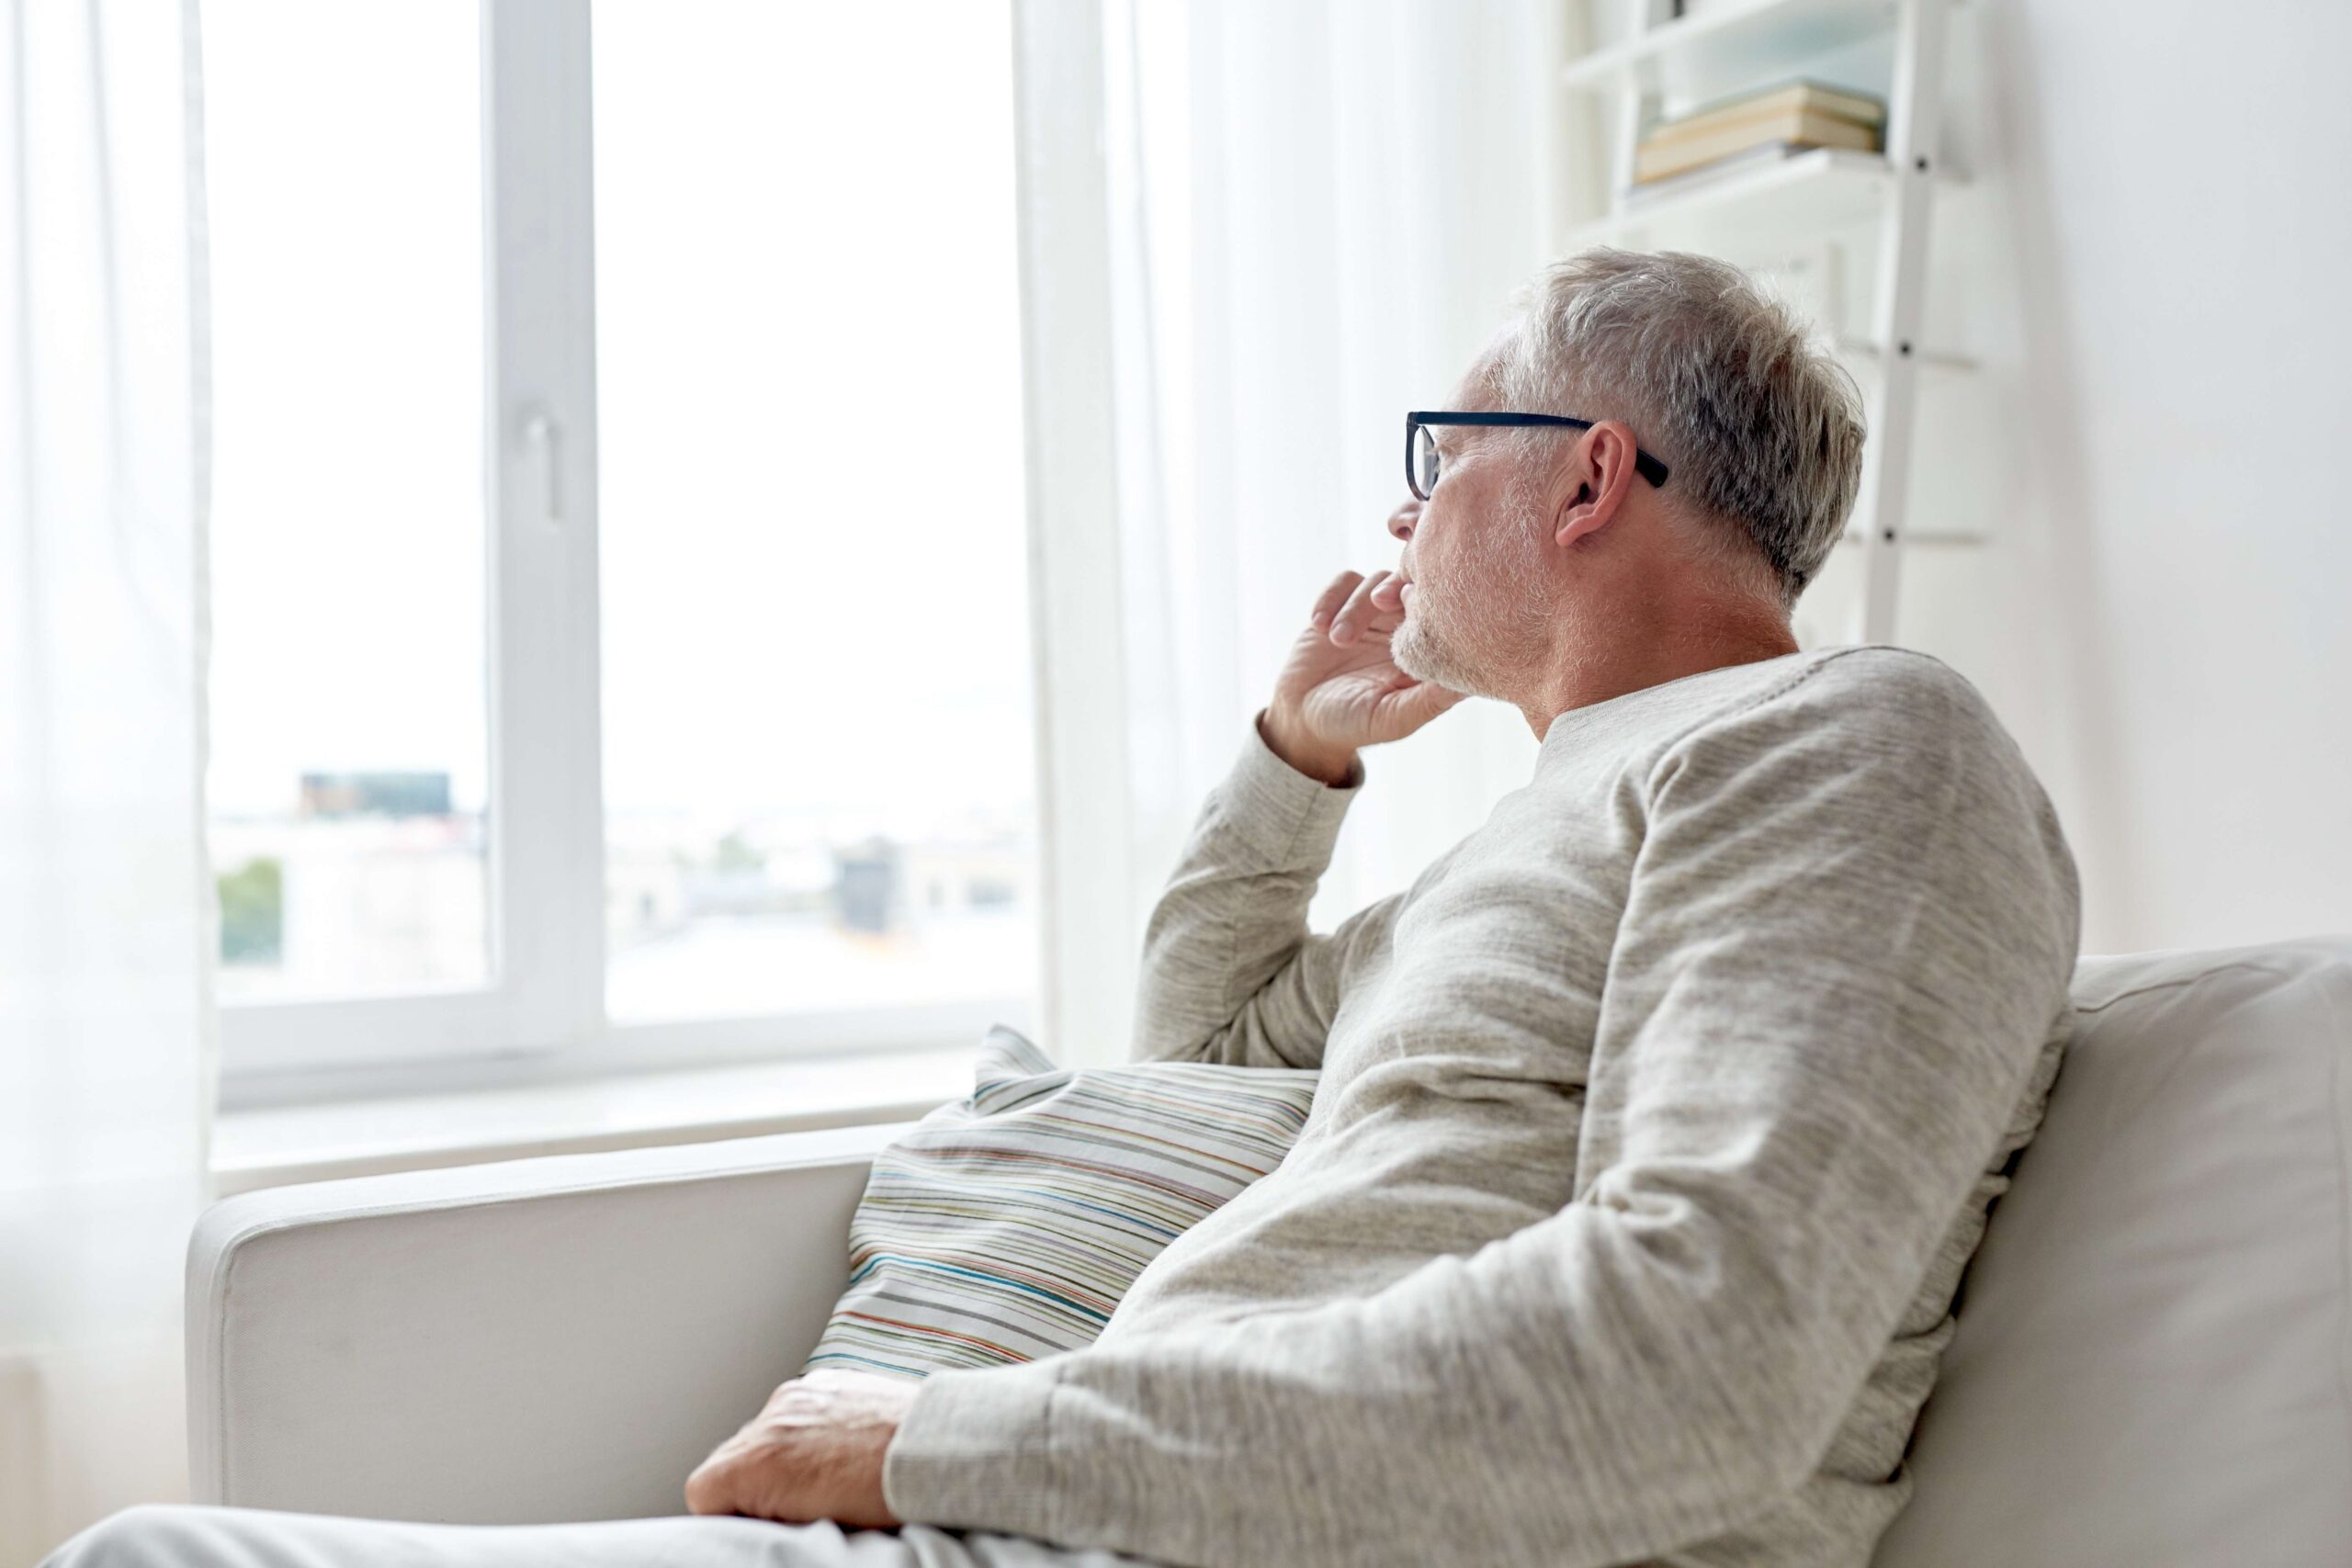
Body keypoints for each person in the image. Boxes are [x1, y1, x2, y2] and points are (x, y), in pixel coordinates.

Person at [47, 247, 2080, 1568]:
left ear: (1580, 479)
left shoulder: (1851, 745)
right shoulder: (1519, 852)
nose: (1395, 511)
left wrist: (952, 1430)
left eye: (1433, 452)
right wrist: (1295, 755)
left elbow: (1693, 1364)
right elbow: (1198, 1046)